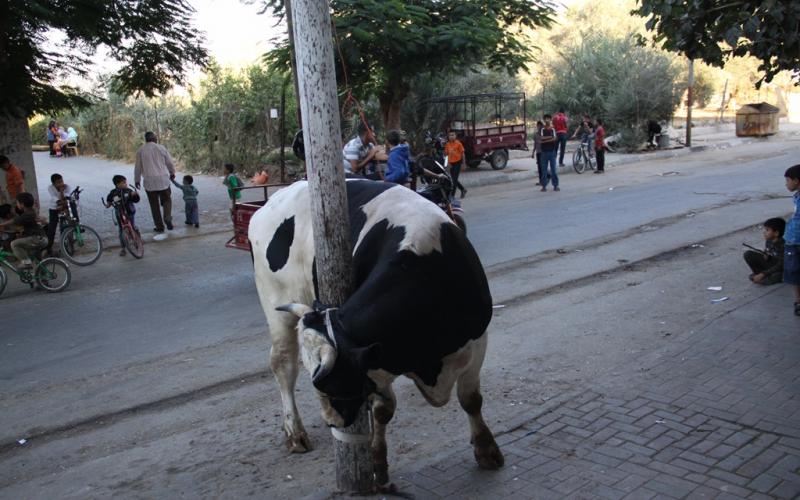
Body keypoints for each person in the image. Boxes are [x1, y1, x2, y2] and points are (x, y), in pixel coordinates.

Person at [134, 131, 176, 232]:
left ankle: (159, 226)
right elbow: (169, 162)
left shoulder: (140, 151)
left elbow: (138, 167)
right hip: (163, 180)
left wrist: (137, 180)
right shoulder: (161, 148)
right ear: (154, 138)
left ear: (146, 139)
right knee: (166, 200)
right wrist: (172, 172)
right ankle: (167, 217)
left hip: (149, 182)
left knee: (154, 205)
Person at [0, 192, 46, 269]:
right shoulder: (28, 212)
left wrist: (1, 225)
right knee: (37, 261)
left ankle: (26, 263)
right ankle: (41, 277)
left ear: (22, 204)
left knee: (14, 244)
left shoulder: (27, 214)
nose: (16, 205)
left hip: (37, 238)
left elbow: (14, 220)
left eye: (17, 203)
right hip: (37, 238)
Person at [743, 218, 785, 286]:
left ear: (776, 233)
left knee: (778, 275)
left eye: (767, 230)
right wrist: (766, 254)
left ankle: (763, 276)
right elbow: (768, 251)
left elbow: (781, 264)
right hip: (772, 264)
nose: (764, 232)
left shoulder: (783, 244)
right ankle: (760, 275)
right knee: (748, 254)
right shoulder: (769, 241)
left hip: (781, 268)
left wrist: (764, 274)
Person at [106, 175, 141, 256]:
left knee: (132, 226)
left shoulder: (128, 191)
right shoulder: (113, 193)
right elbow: (109, 201)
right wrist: (108, 204)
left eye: (126, 182)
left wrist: (135, 195)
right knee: (121, 229)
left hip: (129, 212)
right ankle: (123, 248)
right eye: (124, 182)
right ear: (117, 184)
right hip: (119, 213)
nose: (126, 184)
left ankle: (137, 240)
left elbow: (136, 200)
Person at [782, 164, 800, 316]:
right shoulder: (797, 197)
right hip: (793, 239)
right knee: (794, 271)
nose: (786, 184)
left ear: (797, 181)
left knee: (794, 271)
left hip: (795, 240)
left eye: (788, 180)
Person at [45, 173, 71, 256]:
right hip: (54, 208)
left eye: (62, 181)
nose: (61, 183)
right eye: (58, 182)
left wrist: (62, 191)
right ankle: (48, 249)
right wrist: (59, 202)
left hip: (64, 208)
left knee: (65, 229)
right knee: (52, 229)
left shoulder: (67, 187)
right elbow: (54, 198)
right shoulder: (50, 188)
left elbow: (66, 198)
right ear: (53, 183)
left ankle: (66, 248)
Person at [444, 130, 467, 198]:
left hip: (458, 162)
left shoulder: (458, 144)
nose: (451, 136)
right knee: (454, 179)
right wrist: (447, 163)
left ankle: (452, 196)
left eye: (453, 135)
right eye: (450, 135)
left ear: (455, 136)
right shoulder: (447, 144)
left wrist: (464, 163)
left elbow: (463, 154)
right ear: (448, 137)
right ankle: (463, 189)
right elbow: (446, 155)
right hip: (451, 163)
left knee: (454, 180)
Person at [539, 114, 559, 192]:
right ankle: (544, 186)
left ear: (550, 120)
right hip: (544, 152)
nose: (547, 120)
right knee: (544, 170)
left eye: (548, 118)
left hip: (551, 151)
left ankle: (555, 185)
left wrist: (545, 140)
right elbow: (541, 138)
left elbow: (554, 139)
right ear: (544, 120)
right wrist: (550, 137)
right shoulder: (542, 129)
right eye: (546, 119)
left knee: (553, 169)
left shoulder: (552, 129)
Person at [532, 120, 544, 186]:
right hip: (538, 153)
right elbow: (535, 144)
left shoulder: (544, 134)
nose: (539, 127)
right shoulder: (536, 135)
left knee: (542, 167)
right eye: (538, 126)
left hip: (543, 153)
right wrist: (533, 153)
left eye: (540, 126)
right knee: (539, 167)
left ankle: (544, 179)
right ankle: (541, 181)